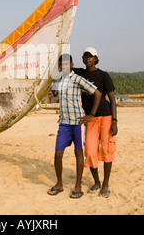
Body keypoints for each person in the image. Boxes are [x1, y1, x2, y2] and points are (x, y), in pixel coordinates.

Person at [48, 54, 102, 199]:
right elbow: (54, 93)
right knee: (58, 154)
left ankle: (78, 186)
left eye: (66, 64)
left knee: (78, 153)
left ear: (71, 65)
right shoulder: (59, 80)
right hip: (64, 123)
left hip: (77, 123)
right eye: (61, 65)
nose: (64, 67)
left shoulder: (77, 79)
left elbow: (97, 93)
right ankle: (59, 184)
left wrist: (91, 114)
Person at [74, 47, 118, 198]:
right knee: (90, 152)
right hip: (90, 119)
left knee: (106, 151)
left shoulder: (103, 76)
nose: (88, 59)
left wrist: (114, 121)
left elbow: (112, 99)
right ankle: (97, 182)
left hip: (105, 116)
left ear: (96, 59)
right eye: (85, 56)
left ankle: (105, 184)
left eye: (90, 56)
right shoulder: (79, 73)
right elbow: (63, 66)